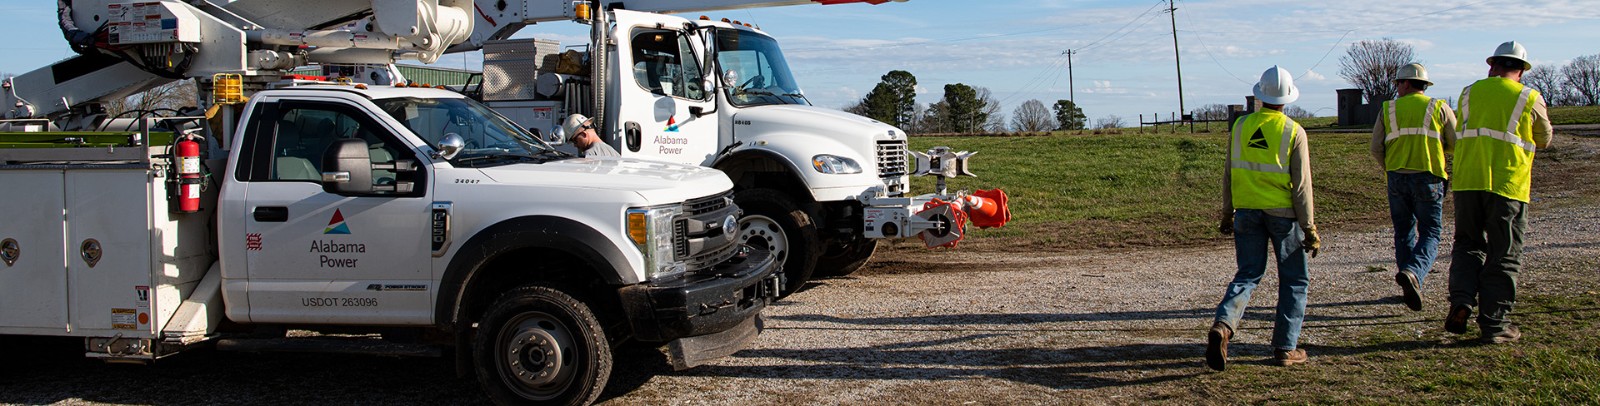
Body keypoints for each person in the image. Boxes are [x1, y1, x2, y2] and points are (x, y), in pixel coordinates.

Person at [1207, 65, 1319, 371]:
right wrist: (1309, 228)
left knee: (1248, 274)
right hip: (1284, 216)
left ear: (1260, 94)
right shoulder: (1294, 132)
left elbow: (1229, 173)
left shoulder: (1240, 127)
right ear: (1288, 99)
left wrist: (1226, 212)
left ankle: (1224, 325)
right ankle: (1286, 347)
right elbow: (1301, 186)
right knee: (1295, 280)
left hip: (1246, 212)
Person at [1444, 41, 1553, 344]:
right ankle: (1495, 323)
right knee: (1504, 253)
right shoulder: (1529, 97)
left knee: (1467, 245)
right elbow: (1544, 138)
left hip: (1468, 182)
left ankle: (1462, 300)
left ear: (1492, 66)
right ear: (1520, 70)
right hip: (1508, 184)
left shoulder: (1468, 93)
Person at [1370, 63, 1457, 312]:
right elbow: (1454, 142)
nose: (1397, 87)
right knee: (1430, 232)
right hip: (1429, 177)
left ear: (1406, 83)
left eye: (1398, 83)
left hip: (1397, 176)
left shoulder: (1388, 109)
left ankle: (1408, 282)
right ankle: (1414, 273)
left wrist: (1390, 166)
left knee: (1403, 231)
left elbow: (1376, 147)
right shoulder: (1439, 107)